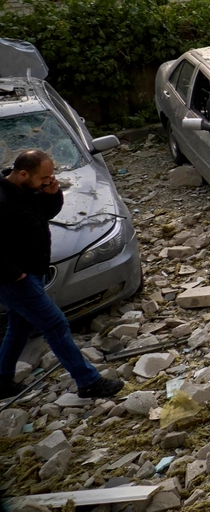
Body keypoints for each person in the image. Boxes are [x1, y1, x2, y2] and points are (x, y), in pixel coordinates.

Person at [0, 150, 123, 400]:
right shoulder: (2, 199)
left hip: (34, 270)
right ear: (23, 173)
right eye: (44, 177)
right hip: (15, 280)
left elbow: (45, 214)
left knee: (19, 326)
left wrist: (52, 194)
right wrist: (15, 275)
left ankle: (2, 381)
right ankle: (88, 382)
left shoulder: (29, 189)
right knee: (55, 324)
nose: (48, 180)